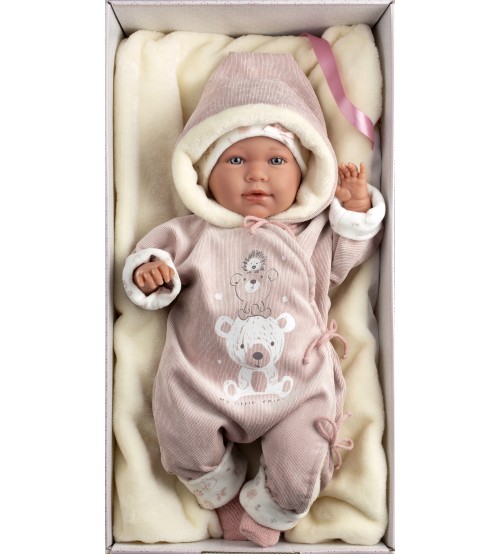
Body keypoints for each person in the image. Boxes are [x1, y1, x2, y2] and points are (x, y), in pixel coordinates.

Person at [122, 52, 385, 547]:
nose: (257, 175)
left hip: (297, 387)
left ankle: (269, 510)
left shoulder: (308, 233)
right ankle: (221, 493)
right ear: (204, 174)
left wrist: (354, 210)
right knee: (182, 433)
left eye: (277, 160)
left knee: (303, 462)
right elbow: (148, 261)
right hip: (202, 382)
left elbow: (345, 257)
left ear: (304, 173)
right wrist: (150, 273)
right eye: (236, 160)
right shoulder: (194, 232)